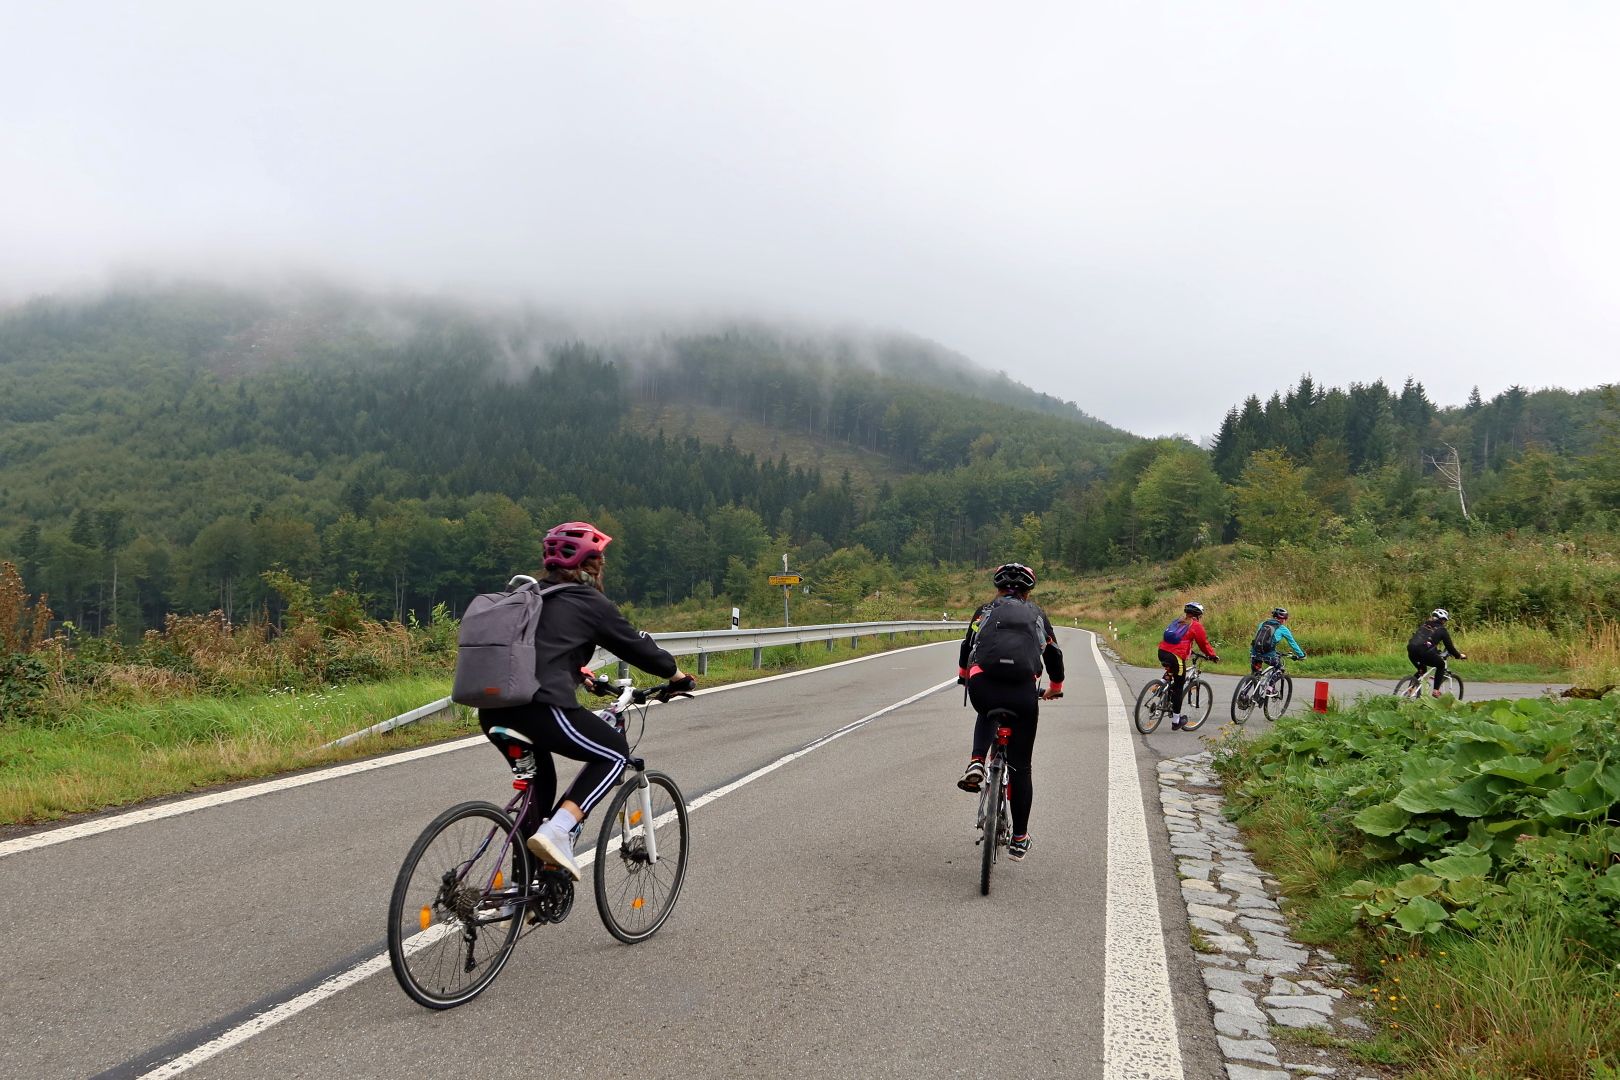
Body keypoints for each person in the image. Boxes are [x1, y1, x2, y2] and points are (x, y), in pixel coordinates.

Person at [478, 521, 695, 881]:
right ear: (591, 563)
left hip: (493, 709)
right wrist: (677, 677)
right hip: (540, 708)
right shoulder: (587, 600)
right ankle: (559, 830)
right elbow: (636, 647)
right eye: (600, 560)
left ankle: (520, 891)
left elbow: (542, 648)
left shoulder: (530, 596)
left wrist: (579, 673)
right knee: (613, 753)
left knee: (540, 788)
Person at [954, 562, 1064, 862]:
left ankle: (977, 762)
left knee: (987, 710)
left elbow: (967, 645)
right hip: (1022, 692)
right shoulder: (1037, 614)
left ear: (998, 588)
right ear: (1028, 591)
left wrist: (964, 677)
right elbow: (1053, 654)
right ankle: (1019, 839)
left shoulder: (984, 611)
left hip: (983, 686)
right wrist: (1055, 687)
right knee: (1021, 767)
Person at [1158, 602, 1219, 730]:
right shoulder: (1196, 626)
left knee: (1173, 672)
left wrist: (1189, 651)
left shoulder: (1178, 621)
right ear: (1199, 615)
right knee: (1179, 686)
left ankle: (1161, 685)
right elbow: (1203, 644)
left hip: (1162, 652)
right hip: (1175, 656)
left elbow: (1180, 640)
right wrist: (1213, 656)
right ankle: (1176, 721)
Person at [1408, 608, 1466, 696]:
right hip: (1424, 652)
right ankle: (1435, 692)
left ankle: (1409, 690)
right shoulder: (1442, 630)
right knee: (1441, 665)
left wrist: (1434, 650)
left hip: (1411, 650)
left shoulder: (1424, 625)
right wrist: (1459, 656)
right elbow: (1450, 648)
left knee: (1422, 669)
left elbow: (1424, 640)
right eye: (1445, 621)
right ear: (1443, 620)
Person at [1250, 607, 1306, 673]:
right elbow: (1292, 643)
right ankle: (1272, 680)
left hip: (1254, 653)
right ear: (1283, 620)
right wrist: (1301, 655)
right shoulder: (1282, 628)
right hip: (1269, 655)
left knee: (1255, 673)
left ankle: (1253, 678)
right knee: (1279, 669)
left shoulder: (1262, 624)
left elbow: (1258, 638)